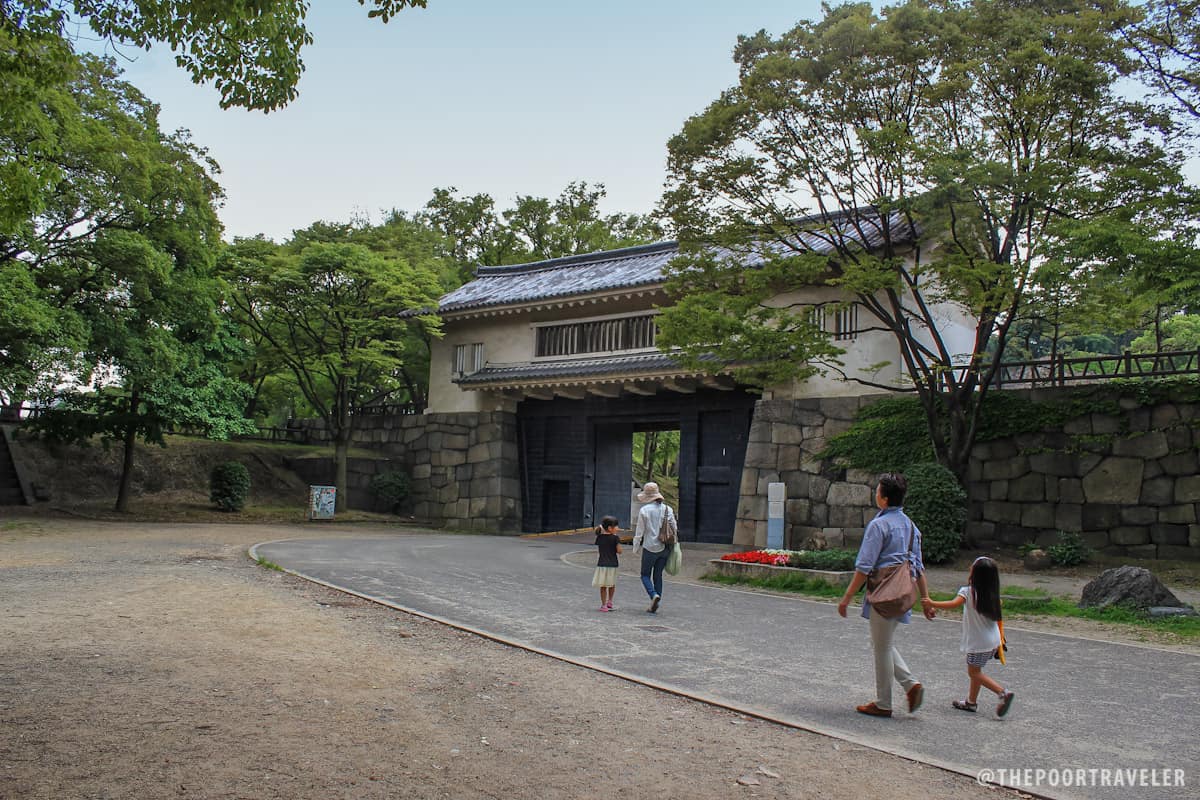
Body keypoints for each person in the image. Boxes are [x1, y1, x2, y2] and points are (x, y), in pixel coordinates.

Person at [837, 472, 935, 718]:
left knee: (881, 647)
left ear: (884, 498)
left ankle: (884, 702)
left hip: (882, 592)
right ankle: (911, 686)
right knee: (883, 643)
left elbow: (864, 566)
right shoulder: (912, 526)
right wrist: (925, 600)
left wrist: (847, 597)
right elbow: (919, 567)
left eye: (878, 490)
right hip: (903, 592)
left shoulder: (878, 525)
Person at [925, 556, 1015, 717]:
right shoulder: (992, 593)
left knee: (974, 673)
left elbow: (953, 604)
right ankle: (971, 702)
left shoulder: (967, 592)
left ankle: (1003, 693)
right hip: (993, 641)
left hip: (978, 643)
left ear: (975, 573)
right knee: (976, 671)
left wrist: (932, 603)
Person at [632, 481, 675, 613]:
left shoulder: (644, 511)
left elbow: (639, 532)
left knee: (645, 574)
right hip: (665, 547)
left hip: (650, 547)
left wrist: (635, 547)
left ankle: (653, 595)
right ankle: (656, 602)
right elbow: (674, 528)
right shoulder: (668, 509)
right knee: (658, 575)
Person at [592, 515, 623, 612]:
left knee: (603, 586)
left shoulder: (599, 538)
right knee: (612, 584)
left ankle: (603, 605)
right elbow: (619, 551)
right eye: (616, 526)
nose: (618, 528)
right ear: (610, 528)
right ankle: (610, 601)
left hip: (601, 564)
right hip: (613, 564)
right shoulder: (615, 538)